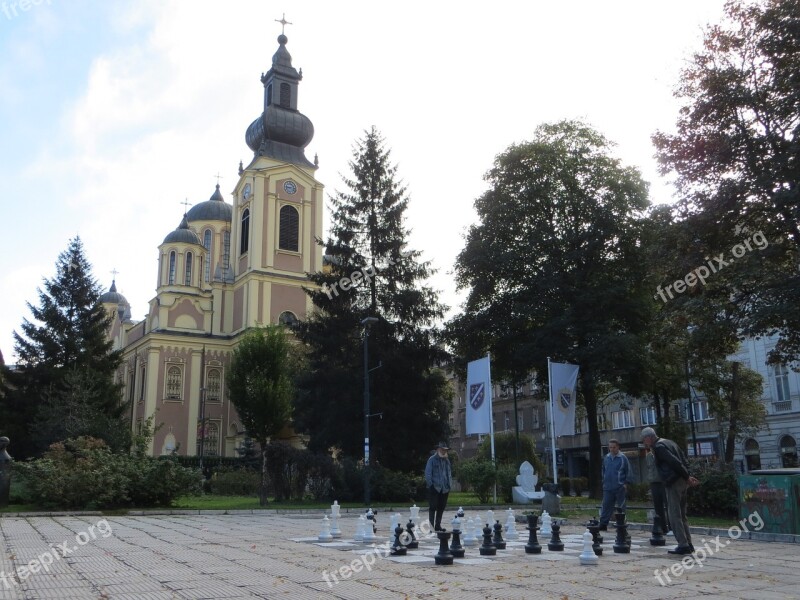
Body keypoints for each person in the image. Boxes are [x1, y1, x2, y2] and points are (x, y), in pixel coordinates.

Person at [641, 427, 700, 555]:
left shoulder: (659, 447)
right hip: (682, 481)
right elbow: (684, 460)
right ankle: (688, 543)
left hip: (673, 482)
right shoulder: (670, 442)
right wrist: (687, 476)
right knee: (682, 515)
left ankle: (683, 544)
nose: (645, 443)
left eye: (644, 440)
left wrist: (686, 476)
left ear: (648, 438)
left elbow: (675, 462)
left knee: (674, 515)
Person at [599, 439, 631, 531]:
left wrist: (626, 483)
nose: (612, 449)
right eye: (610, 447)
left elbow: (628, 471)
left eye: (614, 447)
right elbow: (603, 470)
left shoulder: (623, 458)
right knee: (606, 506)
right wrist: (604, 481)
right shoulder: (606, 458)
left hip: (620, 486)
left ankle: (621, 525)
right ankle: (603, 524)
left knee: (621, 507)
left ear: (618, 447)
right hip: (608, 487)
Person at [424, 441, 452, 532]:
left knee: (441, 507)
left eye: (445, 450)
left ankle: (438, 525)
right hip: (435, 487)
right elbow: (428, 473)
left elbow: (449, 473)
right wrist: (431, 485)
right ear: (438, 449)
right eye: (443, 450)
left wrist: (449, 485)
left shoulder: (447, 460)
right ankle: (431, 527)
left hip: (445, 489)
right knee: (432, 507)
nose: (444, 451)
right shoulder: (432, 459)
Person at [645, 444, 670, 534]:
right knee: (658, 507)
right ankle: (662, 527)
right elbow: (649, 468)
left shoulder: (661, 455)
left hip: (663, 482)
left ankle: (671, 527)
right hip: (654, 482)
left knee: (668, 505)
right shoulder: (648, 456)